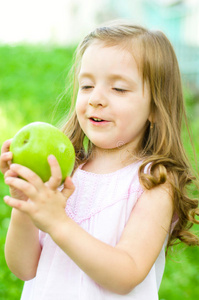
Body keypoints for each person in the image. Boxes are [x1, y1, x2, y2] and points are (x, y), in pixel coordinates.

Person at [0, 20, 199, 300]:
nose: (96, 99)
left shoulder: (153, 183)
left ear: (155, 107)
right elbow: (23, 269)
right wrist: (25, 205)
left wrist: (59, 224)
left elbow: (126, 274)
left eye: (118, 89)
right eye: (87, 85)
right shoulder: (63, 172)